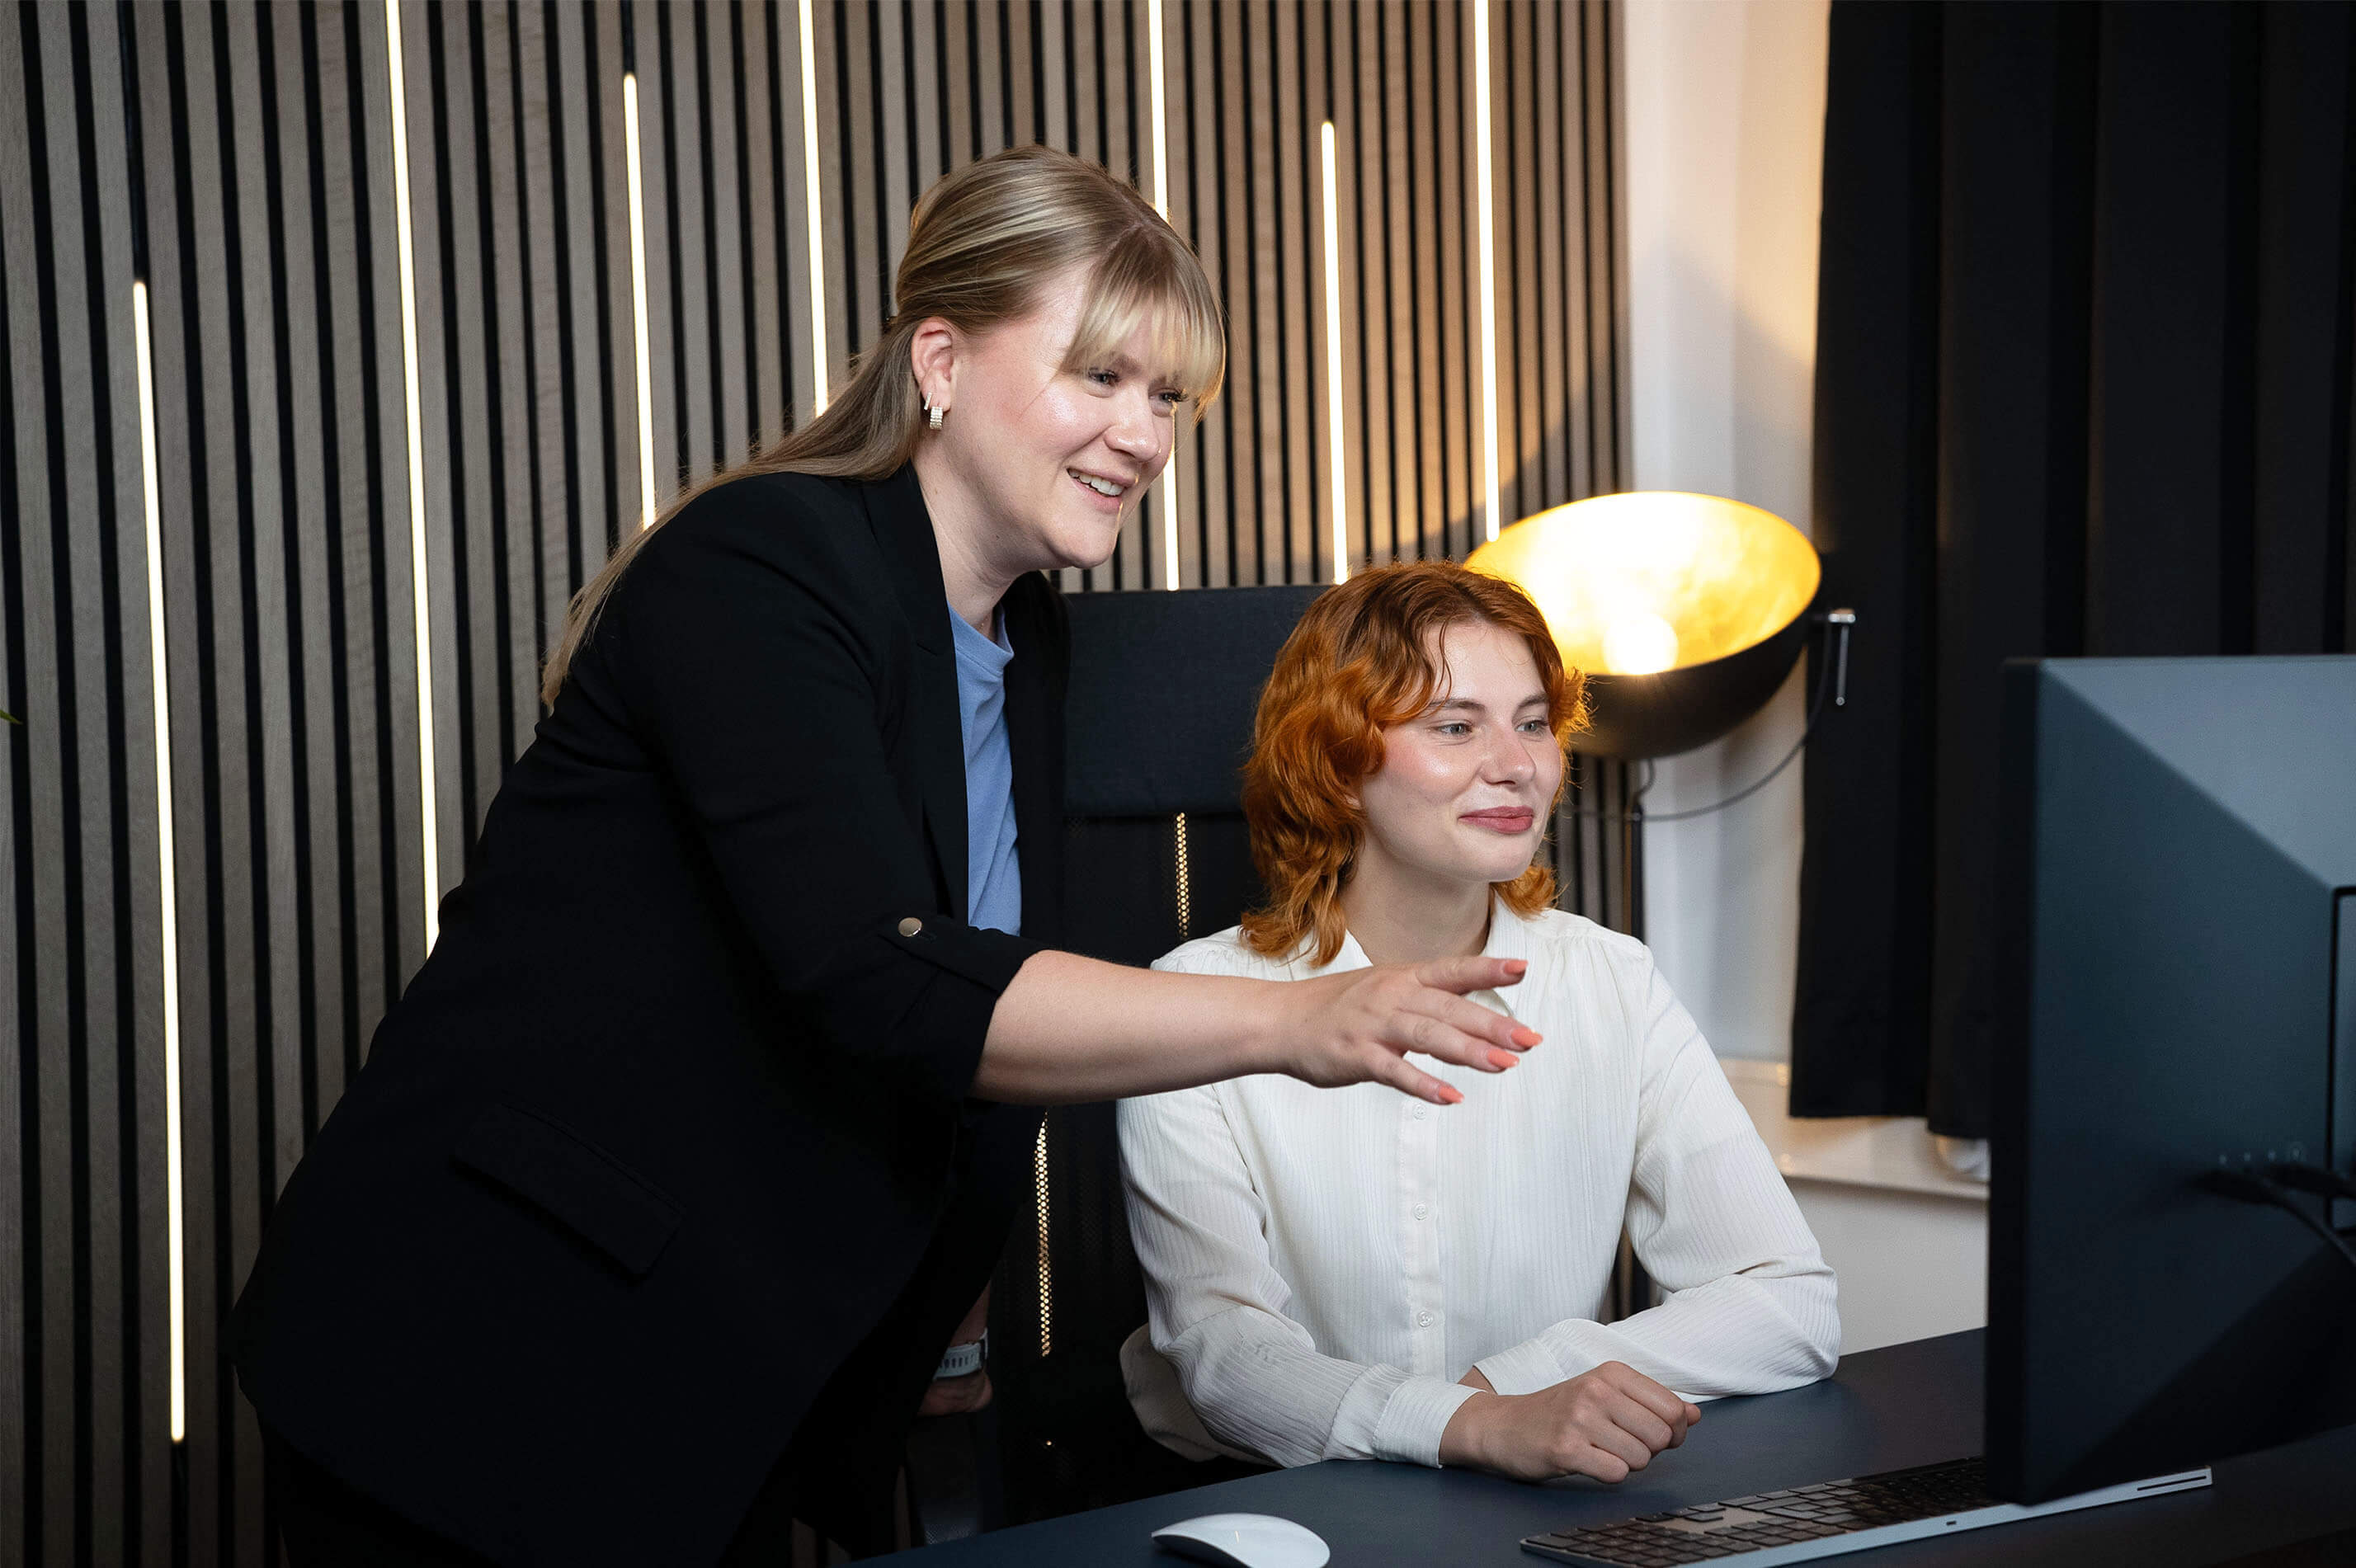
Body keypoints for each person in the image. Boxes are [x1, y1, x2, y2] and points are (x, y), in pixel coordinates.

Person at [229, 148, 1543, 1566]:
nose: (1144, 434)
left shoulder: (1018, 638)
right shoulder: (762, 563)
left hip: (728, 1378)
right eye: (1099, 377)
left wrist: (950, 1314)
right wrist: (1298, 1019)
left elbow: (962, 1021)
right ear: (940, 359)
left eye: (1167, 395)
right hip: (485, 1343)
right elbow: (883, 973)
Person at [1118, 561, 1840, 1486]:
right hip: (1267, 1498)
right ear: (1337, 765)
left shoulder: (1611, 981)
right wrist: (1472, 1420)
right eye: (1456, 726)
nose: (1518, 764)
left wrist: (1512, 1388)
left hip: (1535, 1496)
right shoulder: (1189, 1003)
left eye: (1534, 722)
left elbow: (1790, 1302)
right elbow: (1227, 1359)